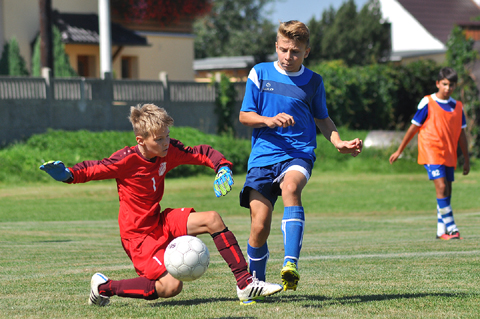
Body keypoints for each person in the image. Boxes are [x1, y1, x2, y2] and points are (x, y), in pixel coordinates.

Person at [39, 103, 282, 306]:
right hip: (138, 237)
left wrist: (222, 167)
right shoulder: (126, 160)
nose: (166, 142)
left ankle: (245, 284)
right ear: (141, 140)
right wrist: (68, 174)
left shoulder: (168, 150)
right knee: (171, 287)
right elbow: (94, 168)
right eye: (159, 139)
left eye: (167, 136)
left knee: (212, 219)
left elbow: (201, 152)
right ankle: (104, 287)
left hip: (159, 221)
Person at [238, 20, 363, 294]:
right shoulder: (259, 73)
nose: (288, 57)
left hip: (298, 153)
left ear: (306, 52)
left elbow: (323, 118)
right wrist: (269, 120)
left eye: (295, 52)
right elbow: (245, 115)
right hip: (262, 158)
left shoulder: (313, 81)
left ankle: (290, 264)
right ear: (276, 46)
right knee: (259, 225)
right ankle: (254, 283)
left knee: (291, 187)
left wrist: (338, 141)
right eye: (283, 50)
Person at [389, 67, 470, 240]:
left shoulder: (458, 107)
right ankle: (452, 228)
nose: (448, 88)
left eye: (451, 85)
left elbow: (462, 135)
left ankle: (441, 231)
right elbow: (414, 127)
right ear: (438, 84)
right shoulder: (428, 102)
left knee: (447, 191)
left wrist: (467, 159)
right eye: (445, 84)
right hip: (431, 151)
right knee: (441, 187)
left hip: (448, 153)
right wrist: (399, 150)